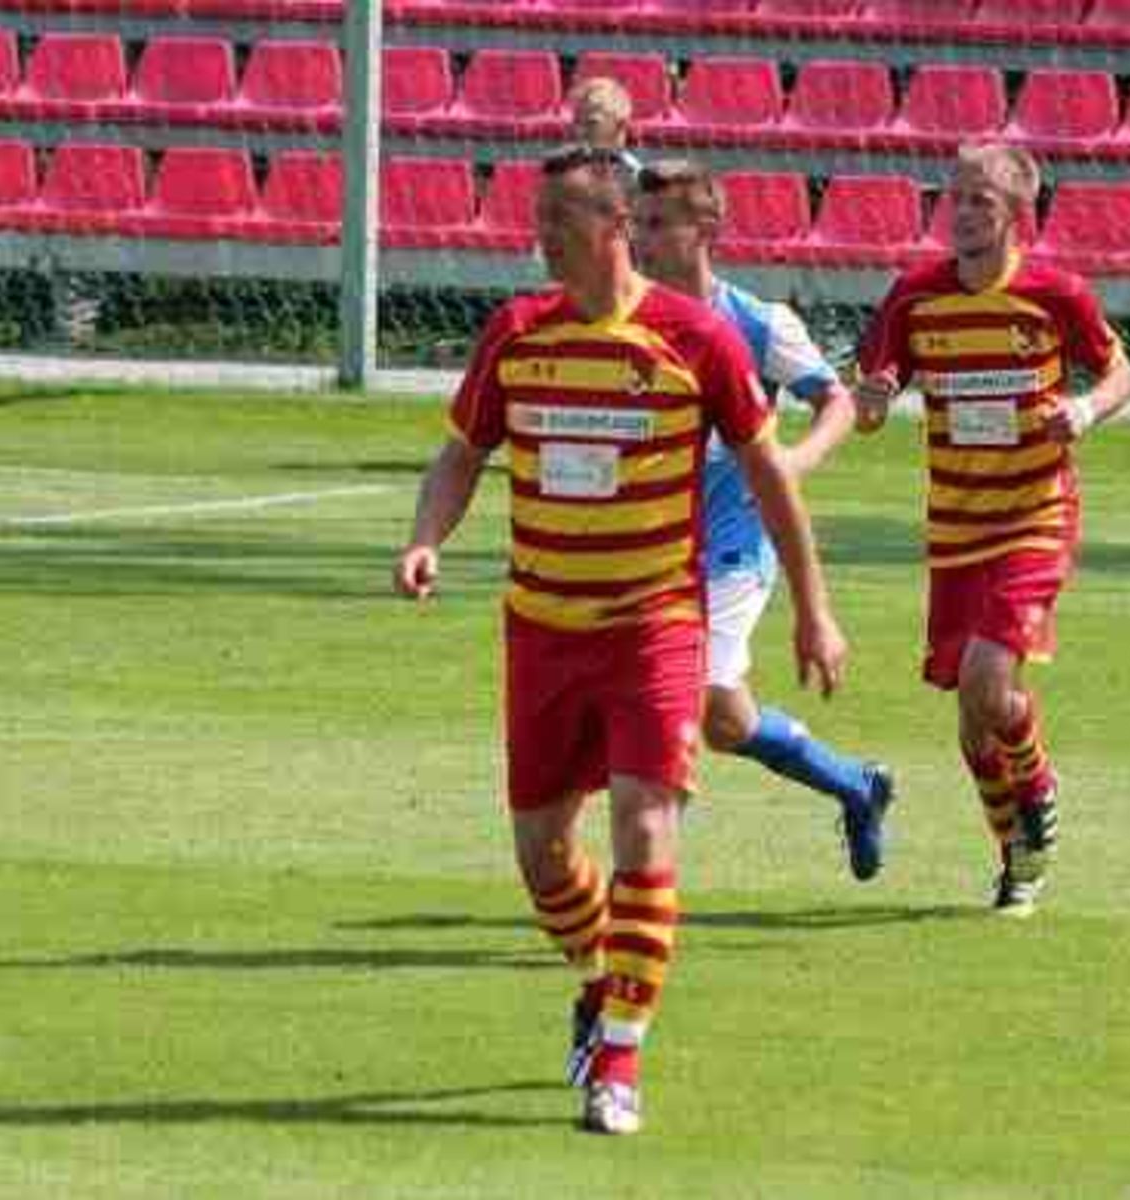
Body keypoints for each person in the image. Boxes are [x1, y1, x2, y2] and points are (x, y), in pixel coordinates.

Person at [394, 145, 848, 1135]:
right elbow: (461, 454)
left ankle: (621, 1063)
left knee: (644, 824)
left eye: (555, 218)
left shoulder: (695, 338)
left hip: (654, 624)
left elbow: (770, 478)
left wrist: (813, 605)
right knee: (542, 858)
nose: (535, 235)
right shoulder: (516, 333)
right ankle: (601, 979)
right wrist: (426, 537)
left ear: (607, 228)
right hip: (542, 630)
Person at [853, 143, 1130, 917]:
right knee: (971, 720)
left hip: (1034, 515)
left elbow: (1120, 373)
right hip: (954, 528)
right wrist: (872, 398)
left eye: (981, 199)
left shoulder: (1055, 293)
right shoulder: (915, 296)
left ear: (1016, 215)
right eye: (957, 196)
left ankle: (1037, 786)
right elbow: (872, 392)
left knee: (986, 682)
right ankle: (1016, 857)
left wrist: (1079, 410)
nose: (964, 210)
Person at [632, 158, 894, 880]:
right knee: (725, 720)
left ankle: (641, 890)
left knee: (680, 703)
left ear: (705, 230)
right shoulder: (624, 321)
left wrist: (793, 465)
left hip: (733, 547)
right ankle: (856, 785)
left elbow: (834, 400)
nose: (640, 240)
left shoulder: (757, 323)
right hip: (646, 550)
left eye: (657, 225)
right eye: (636, 224)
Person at [567, 76, 643, 176]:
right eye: (577, 122)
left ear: (620, 125)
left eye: (592, 123)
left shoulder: (632, 173)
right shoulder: (568, 168)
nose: (580, 131)